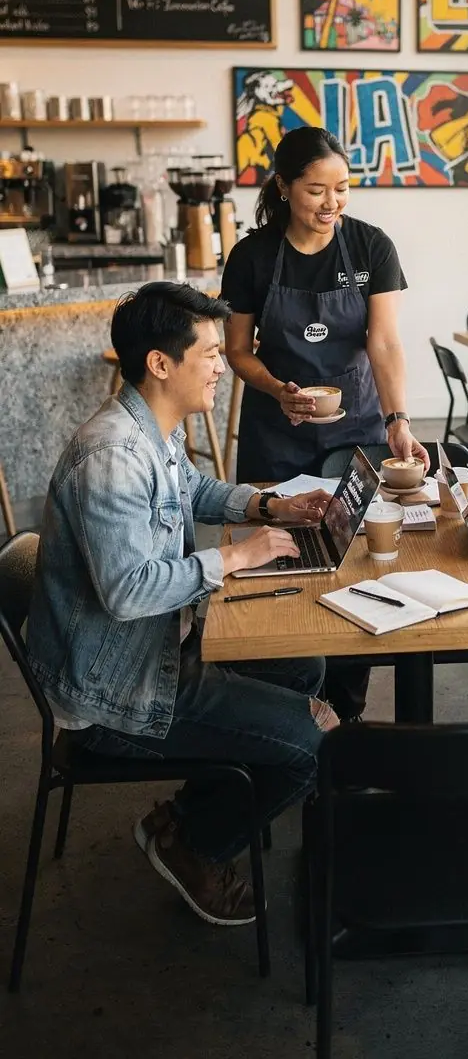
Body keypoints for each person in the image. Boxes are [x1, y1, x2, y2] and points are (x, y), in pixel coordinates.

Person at [26, 282, 338, 929]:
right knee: (314, 743)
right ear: (160, 363)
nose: (224, 366)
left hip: (153, 649)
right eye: (211, 354)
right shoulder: (112, 456)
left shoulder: (149, 428)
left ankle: (190, 813)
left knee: (303, 667)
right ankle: (193, 844)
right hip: (116, 689)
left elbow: (190, 489)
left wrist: (270, 506)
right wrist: (237, 557)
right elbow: (128, 590)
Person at [222, 126, 429, 718]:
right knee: (279, 561)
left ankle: (346, 709)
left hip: (353, 426)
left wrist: (397, 419)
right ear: (284, 187)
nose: (331, 202)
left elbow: (383, 343)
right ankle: (286, 708)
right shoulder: (252, 256)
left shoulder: (370, 247)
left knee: (354, 561)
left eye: (342, 188)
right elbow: (238, 350)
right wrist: (276, 389)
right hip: (275, 432)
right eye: (316, 190)